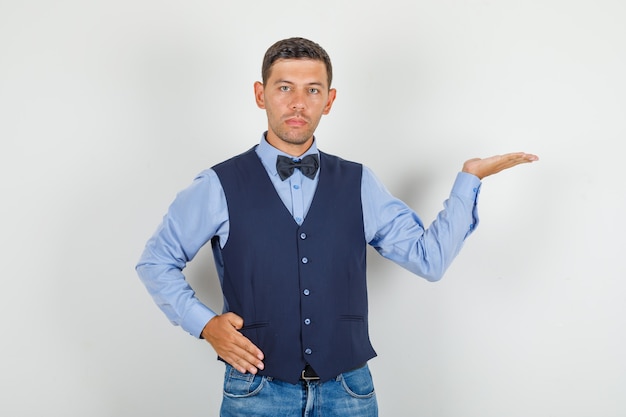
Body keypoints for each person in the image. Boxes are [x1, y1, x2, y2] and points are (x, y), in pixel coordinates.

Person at [136, 37, 538, 416]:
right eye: (284, 88)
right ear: (261, 95)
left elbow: (428, 260)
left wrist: (469, 180)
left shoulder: (360, 182)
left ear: (328, 101)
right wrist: (206, 325)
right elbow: (155, 263)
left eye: (312, 90)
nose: (297, 103)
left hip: (349, 392)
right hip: (256, 390)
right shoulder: (216, 184)